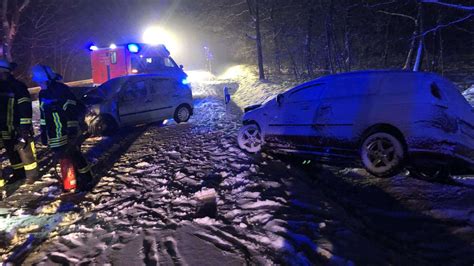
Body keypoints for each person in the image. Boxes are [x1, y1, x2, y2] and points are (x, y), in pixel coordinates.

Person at [31, 64, 92, 192]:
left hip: (67, 130)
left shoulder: (61, 90)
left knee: (74, 155)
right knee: (63, 157)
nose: (39, 84)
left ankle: (86, 179)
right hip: (54, 132)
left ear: (47, 79)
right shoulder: (43, 93)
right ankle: (71, 180)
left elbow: (72, 110)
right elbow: (43, 115)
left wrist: (71, 131)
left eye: (40, 81)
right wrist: (43, 133)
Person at [0, 59, 38, 191]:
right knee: (12, 151)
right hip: (5, 127)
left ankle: (31, 175)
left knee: (25, 151)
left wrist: (24, 130)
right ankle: (19, 173)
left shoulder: (18, 86)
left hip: (18, 126)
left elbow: (25, 109)